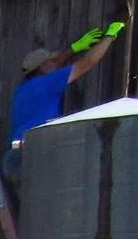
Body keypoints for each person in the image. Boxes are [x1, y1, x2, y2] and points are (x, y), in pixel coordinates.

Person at [9, 21, 126, 150]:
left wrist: (75, 48)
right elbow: (88, 62)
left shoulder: (22, 90)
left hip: (16, 152)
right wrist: (109, 36)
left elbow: (56, 65)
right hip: (32, 152)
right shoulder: (49, 83)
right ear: (42, 68)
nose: (56, 63)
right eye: (51, 61)